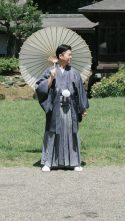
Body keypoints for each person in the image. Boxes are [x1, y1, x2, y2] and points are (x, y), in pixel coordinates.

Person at [35, 44, 89, 172]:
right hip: (55, 108)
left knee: (71, 132)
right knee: (52, 132)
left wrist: (82, 108)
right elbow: (40, 88)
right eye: (69, 54)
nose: (71, 57)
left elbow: (80, 91)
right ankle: (48, 162)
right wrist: (51, 78)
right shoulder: (50, 71)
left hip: (71, 108)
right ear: (60, 56)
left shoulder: (74, 73)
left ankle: (74, 162)